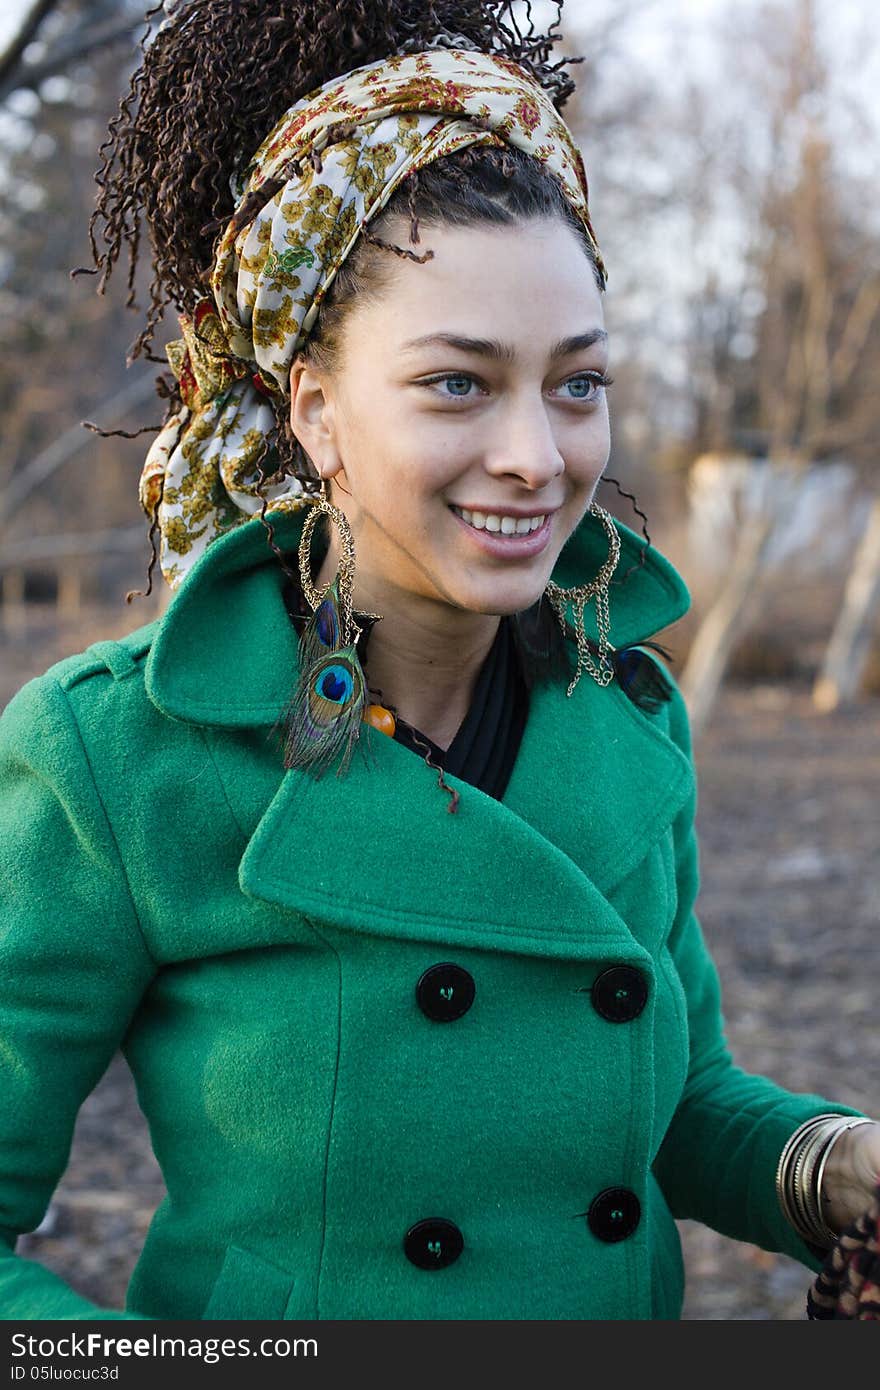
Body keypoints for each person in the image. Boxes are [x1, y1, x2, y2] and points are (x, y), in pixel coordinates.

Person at [0, 0, 877, 1323]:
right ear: (317, 411)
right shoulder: (117, 757)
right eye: (459, 384)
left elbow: (677, 1100)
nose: (538, 453)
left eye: (576, 383)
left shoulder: (628, 713)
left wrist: (832, 1168)